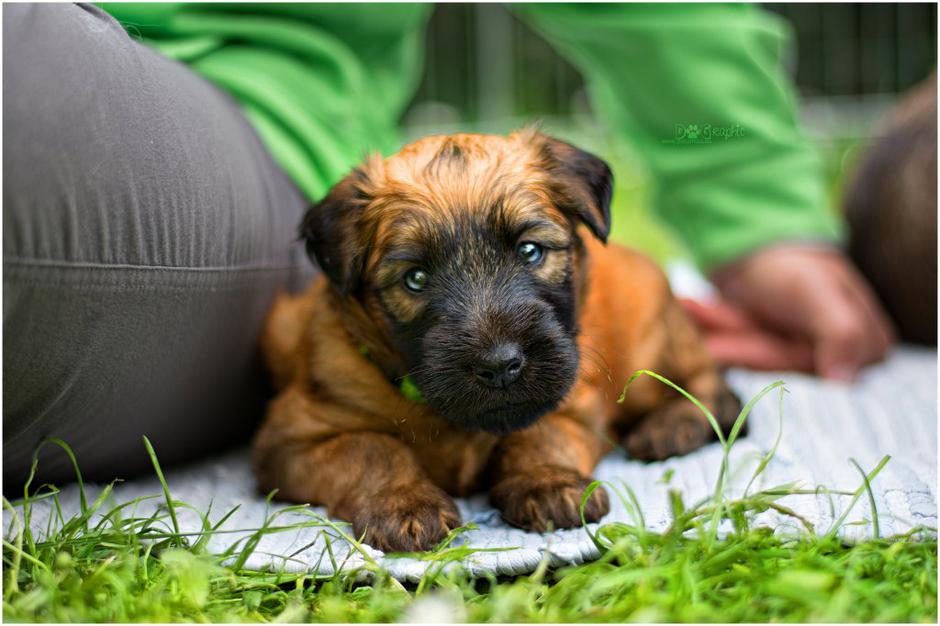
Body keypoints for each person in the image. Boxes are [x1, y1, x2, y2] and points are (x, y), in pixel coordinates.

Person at [3, 3, 893, 489]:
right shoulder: (338, 327)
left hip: (236, 129)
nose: (499, 344)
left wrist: (761, 217)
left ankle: (695, 385)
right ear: (344, 277)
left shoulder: (602, 279)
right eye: (416, 277)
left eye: (537, 252)